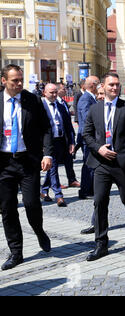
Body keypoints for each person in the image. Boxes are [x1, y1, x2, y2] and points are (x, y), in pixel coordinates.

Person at [82, 72, 125, 261]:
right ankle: (101, 243)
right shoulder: (95, 109)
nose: (115, 88)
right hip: (101, 163)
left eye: (117, 85)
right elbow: (87, 134)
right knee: (100, 201)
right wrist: (98, 149)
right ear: (103, 86)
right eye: (111, 85)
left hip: (122, 164)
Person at [0, 64, 53, 270]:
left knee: (32, 204)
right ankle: (16, 252)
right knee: (8, 209)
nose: (19, 83)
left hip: (28, 161)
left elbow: (47, 128)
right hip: (4, 163)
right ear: (3, 81)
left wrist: (47, 153)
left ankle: (38, 230)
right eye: (15, 80)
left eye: (21, 79)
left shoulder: (32, 100)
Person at [40, 84, 75, 207]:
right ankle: (58, 195)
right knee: (53, 167)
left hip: (60, 140)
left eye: (55, 92)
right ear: (44, 93)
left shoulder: (60, 106)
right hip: (47, 143)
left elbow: (68, 126)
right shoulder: (40, 107)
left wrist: (71, 141)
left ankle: (44, 190)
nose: (54, 95)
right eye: (51, 93)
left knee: (53, 167)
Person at [77, 76, 99, 199]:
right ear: (93, 85)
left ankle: (90, 189)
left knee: (91, 163)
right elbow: (87, 119)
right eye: (98, 84)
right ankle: (85, 190)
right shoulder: (86, 99)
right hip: (88, 137)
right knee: (88, 164)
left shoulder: (90, 97)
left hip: (90, 136)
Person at [56, 83, 80, 190]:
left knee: (69, 159)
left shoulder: (63, 102)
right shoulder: (55, 103)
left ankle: (72, 179)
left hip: (67, 135)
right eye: (63, 88)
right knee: (55, 162)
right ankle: (55, 183)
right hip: (59, 137)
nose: (65, 90)